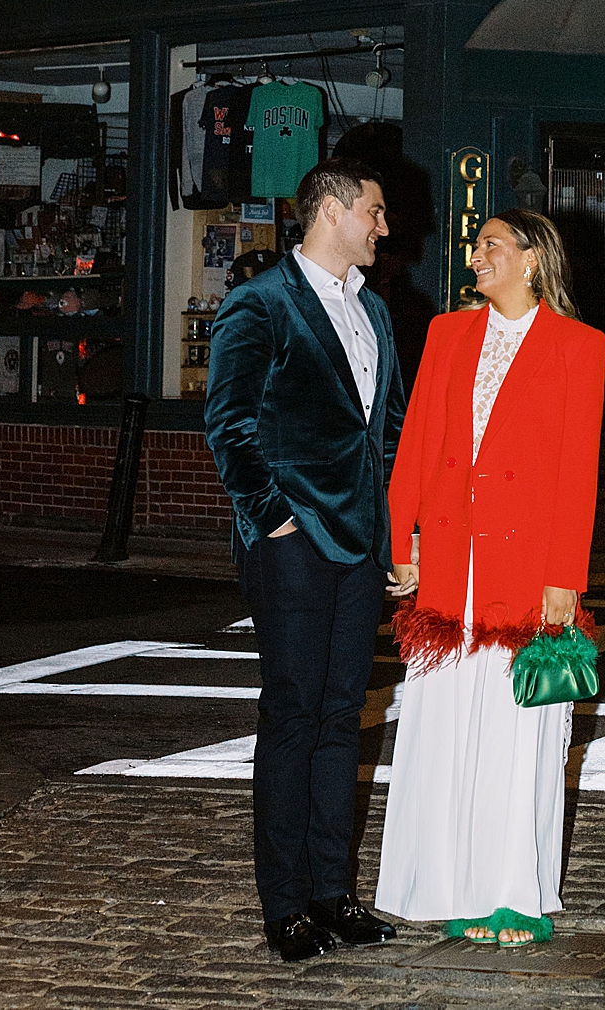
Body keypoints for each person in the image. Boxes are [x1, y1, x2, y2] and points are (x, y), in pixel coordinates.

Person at [376, 209, 605, 944]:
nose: (476, 255)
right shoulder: (448, 333)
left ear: (533, 260)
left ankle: (514, 893)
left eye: (492, 246)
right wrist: (401, 537)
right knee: (444, 721)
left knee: (517, 730)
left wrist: (563, 577)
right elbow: (415, 442)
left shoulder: (580, 347)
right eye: (476, 246)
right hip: (449, 560)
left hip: (525, 565)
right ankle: (444, 882)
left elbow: (579, 474)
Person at [204, 159, 407, 964]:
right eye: (376, 211)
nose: (386, 227)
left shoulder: (377, 313)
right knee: (292, 718)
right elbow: (228, 425)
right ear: (330, 210)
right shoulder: (260, 303)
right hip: (291, 545)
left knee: (340, 718)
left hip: (361, 545)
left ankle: (334, 895)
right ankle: (284, 907)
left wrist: (402, 535)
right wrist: (273, 520)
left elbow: (386, 434)